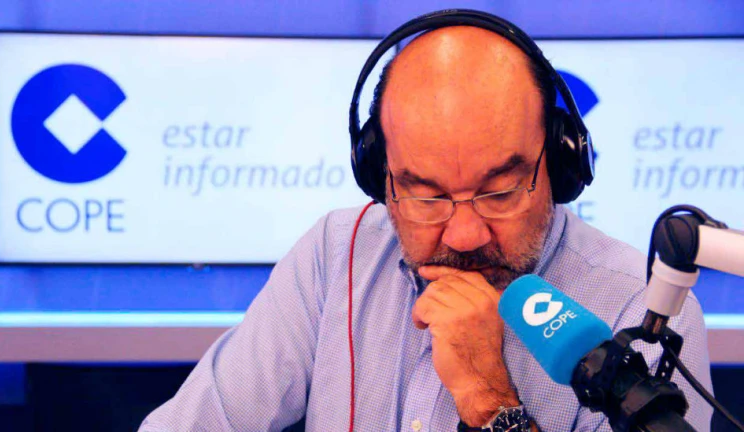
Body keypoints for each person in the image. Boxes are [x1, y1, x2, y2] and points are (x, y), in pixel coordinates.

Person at [140, 10, 713, 432]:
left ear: (560, 166)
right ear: (380, 178)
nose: (464, 236)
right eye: (425, 196)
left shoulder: (644, 313)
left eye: (499, 191)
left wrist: (491, 401)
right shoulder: (334, 255)